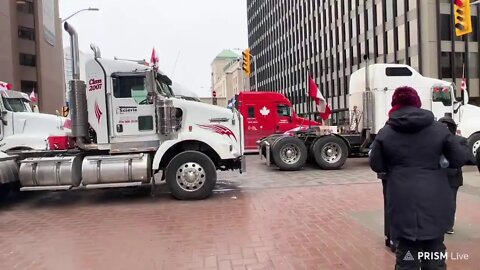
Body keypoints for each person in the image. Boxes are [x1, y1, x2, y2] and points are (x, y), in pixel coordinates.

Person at [369, 86, 468, 270]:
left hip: (401, 199)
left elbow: (377, 165)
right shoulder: (439, 129)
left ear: (395, 105)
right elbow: (459, 159)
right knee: (434, 254)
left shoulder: (386, 132)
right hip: (435, 198)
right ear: (418, 104)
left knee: (406, 256)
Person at [438, 116, 468, 235]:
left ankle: (448, 225)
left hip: (452, 176)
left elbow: (463, 157)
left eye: (447, 126)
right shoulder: (436, 139)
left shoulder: (460, 140)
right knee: (440, 201)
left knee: (450, 202)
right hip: (439, 175)